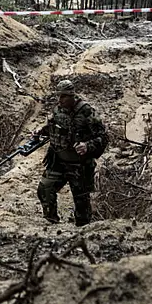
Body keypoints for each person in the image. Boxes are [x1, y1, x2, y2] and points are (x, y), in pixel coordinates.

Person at [33, 79, 108, 226]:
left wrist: (88, 146)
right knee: (45, 189)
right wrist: (40, 131)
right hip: (58, 160)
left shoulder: (86, 112)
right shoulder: (58, 109)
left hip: (79, 166)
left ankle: (82, 230)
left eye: (64, 96)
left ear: (72, 96)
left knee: (81, 203)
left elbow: (104, 137)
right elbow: (53, 127)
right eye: (58, 96)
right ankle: (52, 223)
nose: (60, 100)